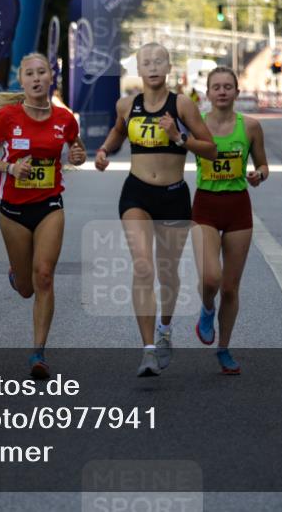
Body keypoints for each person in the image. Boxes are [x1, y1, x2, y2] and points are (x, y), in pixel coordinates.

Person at [95, 43, 217, 377]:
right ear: (138, 68)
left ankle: (165, 329)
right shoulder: (126, 104)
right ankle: (147, 349)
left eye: (158, 61)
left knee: (167, 273)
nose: (152, 67)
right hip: (136, 194)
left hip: (174, 195)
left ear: (168, 67)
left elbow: (210, 150)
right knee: (143, 267)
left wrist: (179, 137)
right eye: (146, 62)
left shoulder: (183, 105)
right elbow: (118, 132)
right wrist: (105, 151)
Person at [0, 53, 86, 379]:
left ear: (51, 77)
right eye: (30, 74)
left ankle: (38, 352)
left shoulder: (65, 119)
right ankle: (17, 275)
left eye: (42, 72)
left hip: (49, 204)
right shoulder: (8, 117)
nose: (36, 78)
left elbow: (75, 151)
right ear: (21, 80)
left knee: (45, 276)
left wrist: (78, 156)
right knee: (26, 287)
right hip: (13, 210)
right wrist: (10, 167)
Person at [191, 67, 268, 375]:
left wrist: (259, 175)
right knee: (211, 278)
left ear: (237, 92)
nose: (222, 92)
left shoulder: (250, 127)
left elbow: (263, 163)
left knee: (231, 288)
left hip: (238, 208)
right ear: (207, 93)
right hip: (205, 206)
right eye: (216, 87)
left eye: (227, 87)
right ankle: (206, 310)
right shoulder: (197, 126)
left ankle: (223, 348)